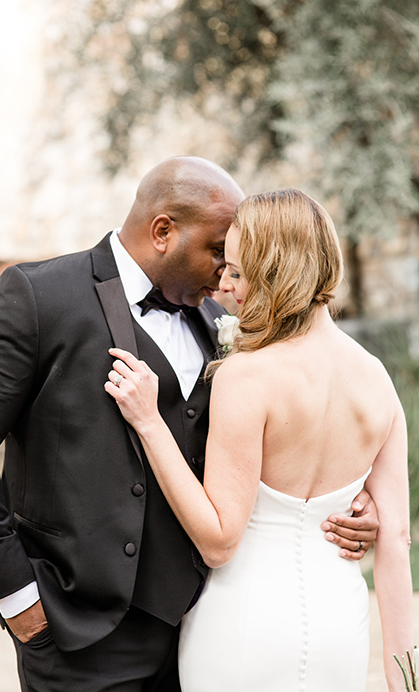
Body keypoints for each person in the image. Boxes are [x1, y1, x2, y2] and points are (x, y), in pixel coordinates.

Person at [0, 162, 378, 692]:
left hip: (204, 630)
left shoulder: (217, 322)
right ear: (164, 231)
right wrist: (18, 598)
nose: (225, 274)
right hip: (77, 633)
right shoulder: (38, 296)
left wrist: (344, 506)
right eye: (218, 250)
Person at [105, 189, 413, 692]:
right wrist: (407, 679)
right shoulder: (376, 377)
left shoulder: (248, 376)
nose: (225, 285)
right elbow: (396, 541)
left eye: (239, 272)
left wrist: (149, 422)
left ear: (276, 273)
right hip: (341, 621)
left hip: (243, 625)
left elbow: (220, 539)